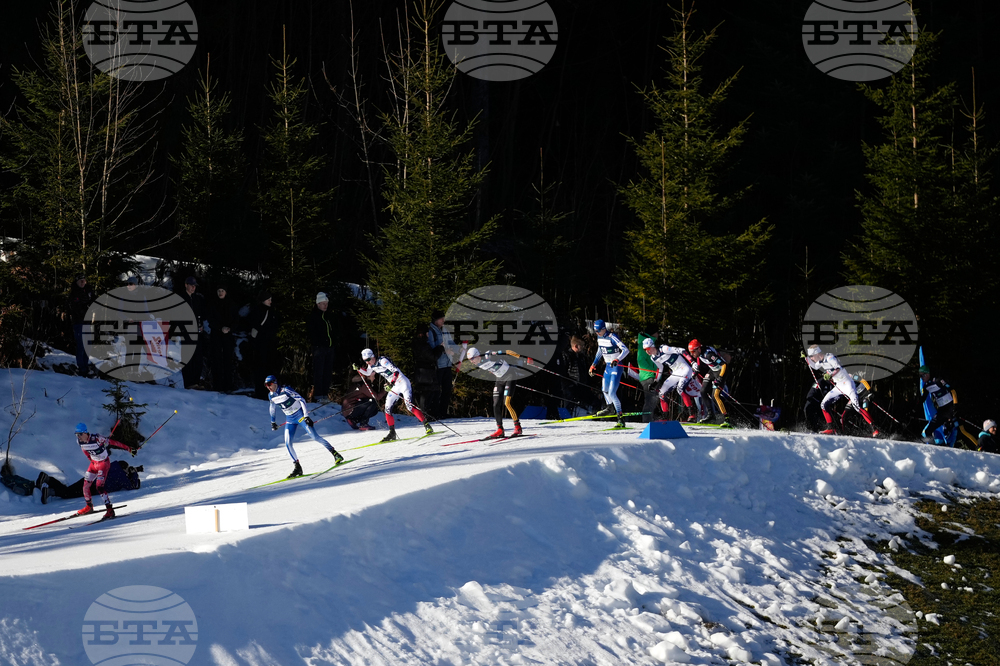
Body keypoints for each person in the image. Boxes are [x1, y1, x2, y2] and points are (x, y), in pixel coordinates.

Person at [266, 375, 344, 478]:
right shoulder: (271, 395)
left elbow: (301, 400)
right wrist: (273, 422)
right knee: (288, 443)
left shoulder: (286, 390)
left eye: (270, 384)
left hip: (300, 416)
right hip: (290, 419)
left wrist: (306, 416)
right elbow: (272, 408)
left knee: (314, 437)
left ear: (275, 382)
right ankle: (297, 467)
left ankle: (335, 454)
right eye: (266, 385)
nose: (268, 387)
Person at [356, 348, 434, 442]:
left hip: (402, 382)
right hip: (394, 386)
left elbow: (395, 371)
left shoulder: (383, 361)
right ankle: (392, 433)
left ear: (373, 357)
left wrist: (391, 383)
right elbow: (368, 372)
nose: (367, 362)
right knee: (387, 409)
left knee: (409, 406)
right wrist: (358, 368)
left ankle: (427, 425)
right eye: (365, 361)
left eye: (368, 359)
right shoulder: (372, 366)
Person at [804, 345, 879, 437]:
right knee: (823, 404)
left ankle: (874, 429)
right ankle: (831, 428)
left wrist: (830, 375)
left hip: (847, 384)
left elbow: (838, 368)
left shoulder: (830, 357)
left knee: (857, 407)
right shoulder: (820, 361)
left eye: (812, 356)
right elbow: (814, 366)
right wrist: (806, 358)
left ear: (817, 353)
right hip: (839, 386)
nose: (812, 358)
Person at [73, 422, 136, 519]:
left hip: (103, 464)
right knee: (85, 486)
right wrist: (90, 460)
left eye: (80, 434)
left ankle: (110, 510)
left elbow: (114, 442)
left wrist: (129, 449)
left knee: (99, 487)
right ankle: (89, 507)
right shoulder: (79, 442)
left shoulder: (97, 438)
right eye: (77, 435)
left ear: (85, 433)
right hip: (94, 464)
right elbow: (85, 450)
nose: (79, 437)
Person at [465, 347, 525, 439]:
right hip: (499, 380)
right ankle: (500, 429)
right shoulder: (478, 363)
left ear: (477, 355)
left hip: (510, 376)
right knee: (496, 404)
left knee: (507, 403)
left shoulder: (488, 356)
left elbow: (507, 351)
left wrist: (522, 357)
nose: (471, 362)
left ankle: (518, 427)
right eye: (470, 360)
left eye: (472, 359)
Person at [919, 366, 976, 447]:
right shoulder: (926, 386)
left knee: (961, 430)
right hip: (942, 411)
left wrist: (955, 405)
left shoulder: (938, 380)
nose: (921, 378)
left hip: (951, 408)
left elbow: (952, 391)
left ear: (928, 374)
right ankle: (932, 448)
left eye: (923, 375)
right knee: (928, 431)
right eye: (920, 376)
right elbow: (923, 398)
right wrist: (914, 408)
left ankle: (978, 447)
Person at [643, 338, 698, 422]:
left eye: (648, 349)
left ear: (652, 346)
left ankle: (692, 414)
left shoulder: (663, 349)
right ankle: (665, 416)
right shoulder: (653, 358)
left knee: (680, 389)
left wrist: (692, 362)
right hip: (676, 372)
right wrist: (656, 381)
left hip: (685, 369)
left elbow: (681, 350)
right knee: (661, 393)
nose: (647, 351)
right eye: (645, 350)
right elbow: (660, 368)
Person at [36, 461, 142, 505]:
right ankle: (49, 491)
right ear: (124, 470)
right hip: (94, 488)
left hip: (91, 477)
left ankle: (48, 481)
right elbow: (133, 486)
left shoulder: (112, 465)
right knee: (67, 494)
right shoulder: (121, 476)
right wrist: (133, 474)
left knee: (68, 490)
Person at [589, 320, 628, 428]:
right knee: (604, 390)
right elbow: (600, 351)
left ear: (603, 329)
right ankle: (610, 408)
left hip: (616, 366)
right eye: (595, 331)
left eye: (598, 331)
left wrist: (617, 359)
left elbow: (626, 350)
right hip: (608, 366)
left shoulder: (612, 337)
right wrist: (594, 364)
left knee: (612, 393)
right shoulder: (599, 337)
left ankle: (621, 419)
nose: (596, 333)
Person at [687, 339, 729, 424]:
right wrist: (696, 370)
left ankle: (727, 419)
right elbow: (699, 360)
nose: (692, 354)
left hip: (721, 371)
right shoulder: (699, 353)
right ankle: (711, 416)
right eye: (690, 352)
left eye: (693, 352)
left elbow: (724, 365)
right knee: (703, 391)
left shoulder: (709, 354)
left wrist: (720, 378)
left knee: (715, 395)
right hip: (713, 370)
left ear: (698, 349)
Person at [428, 310, 460, 417]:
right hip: (438, 365)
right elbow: (432, 348)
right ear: (436, 320)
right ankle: (435, 412)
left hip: (447, 364)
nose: (443, 320)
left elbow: (451, 343)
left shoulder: (445, 330)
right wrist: (445, 350)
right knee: (436, 391)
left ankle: (443, 412)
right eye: (442, 318)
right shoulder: (431, 331)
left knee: (447, 389)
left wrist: (458, 349)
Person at [208, 285, 238, 393]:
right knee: (216, 359)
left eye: (222, 291)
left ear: (226, 292)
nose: (220, 293)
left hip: (228, 335)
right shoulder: (213, 303)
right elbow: (211, 319)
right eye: (219, 290)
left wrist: (230, 328)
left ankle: (228, 385)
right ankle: (217, 385)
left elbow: (236, 319)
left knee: (227, 360)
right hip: (216, 334)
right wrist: (220, 328)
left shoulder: (231, 304)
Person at [307, 292, 336, 402]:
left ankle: (325, 394)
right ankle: (318, 395)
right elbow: (311, 332)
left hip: (329, 347)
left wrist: (334, 341)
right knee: (319, 371)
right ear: (318, 304)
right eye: (323, 303)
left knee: (327, 371)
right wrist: (317, 343)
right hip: (319, 348)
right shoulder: (314, 316)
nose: (325, 305)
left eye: (326, 303)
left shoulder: (329, 316)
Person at [250, 291, 279, 399]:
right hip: (261, 344)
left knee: (268, 367)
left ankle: (268, 391)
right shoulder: (258, 311)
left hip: (269, 344)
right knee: (260, 367)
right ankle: (260, 391)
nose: (270, 302)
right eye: (268, 300)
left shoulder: (272, 311)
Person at [179, 276, 206, 389]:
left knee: (197, 356)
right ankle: (188, 382)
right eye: (191, 285)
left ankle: (195, 381)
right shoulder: (181, 298)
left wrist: (200, 325)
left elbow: (200, 313)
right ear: (186, 285)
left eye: (194, 286)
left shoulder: (197, 298)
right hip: (186, 331)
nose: (193, 288)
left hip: (196, 331)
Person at [411, 324, 441, 416]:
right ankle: (426, 415)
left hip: (420, 371)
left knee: (425, 393)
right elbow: (432, 357)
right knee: (427, 393)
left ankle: (426, 414)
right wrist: (440, 348)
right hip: (426, 372)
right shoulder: (423, 344)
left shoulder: (416, 343)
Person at [69, 274, 95, 377]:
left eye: (84, 280)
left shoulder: (88, 291)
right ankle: (82, 368)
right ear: (77, 282)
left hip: (87, 321)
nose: (83, 282)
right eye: (81, 281)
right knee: (81, 344)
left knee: (87, 345)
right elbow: (75, 307)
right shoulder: (74, 293)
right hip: (79, 322)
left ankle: (86, 366)